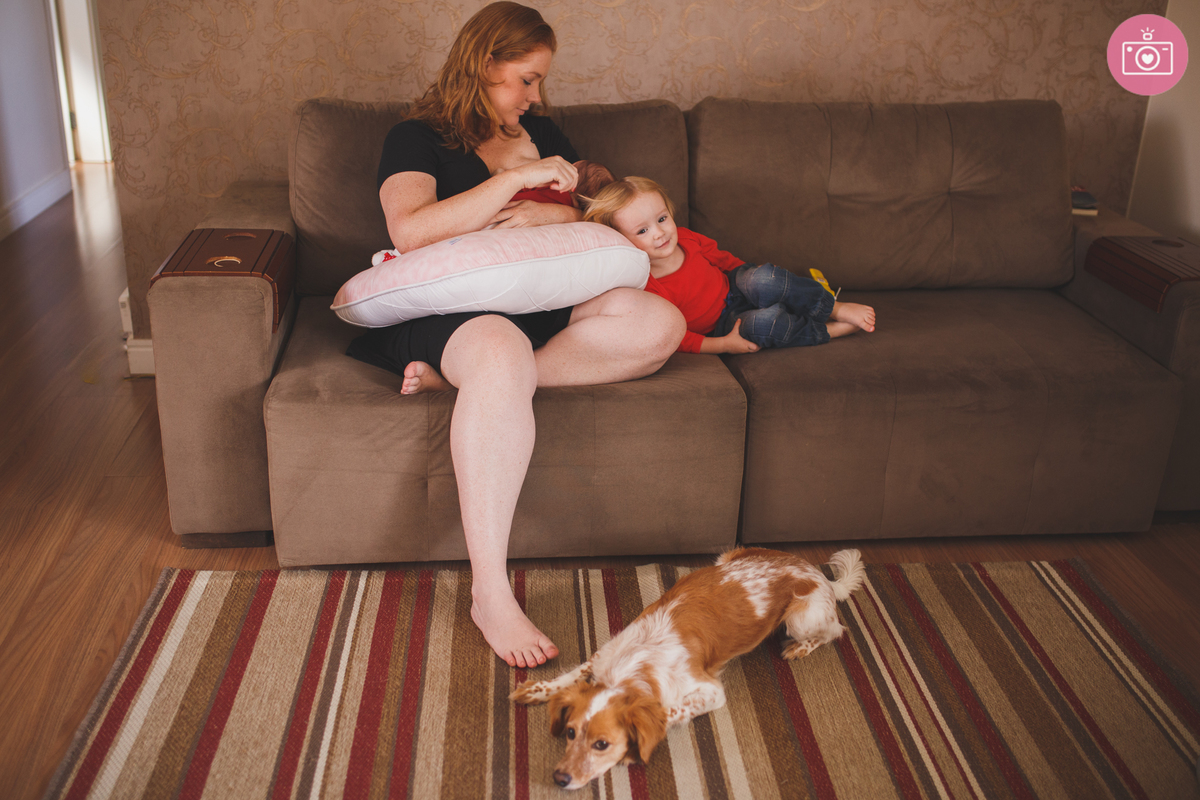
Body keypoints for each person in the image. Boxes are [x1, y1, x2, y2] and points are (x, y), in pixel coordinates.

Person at [346, 3, 685, 669]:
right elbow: (409, 230)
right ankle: (491, 593)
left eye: (539, 81)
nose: (535, 96)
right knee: (498, 350)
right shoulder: (416, 137)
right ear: (483, 64)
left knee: (659, 323)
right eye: (526, 79)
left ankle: (486, 383)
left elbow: (596, 205)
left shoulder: (543, 130)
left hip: (543, 302)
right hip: (450, 313)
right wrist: (512, 181)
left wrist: (553, 214)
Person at [583, 177, 876, 354]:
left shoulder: (686, 237)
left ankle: (833, 307)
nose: (660, 233)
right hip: (722, 326)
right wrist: (722, 345)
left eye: (662, 219)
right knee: (766, 324)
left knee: (764, 279)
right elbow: (677, 337)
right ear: (621, 241)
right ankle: (828, 330)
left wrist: (760, 281)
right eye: (642, 230)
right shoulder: (646, 286)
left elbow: (725, 260)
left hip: (735, 286)